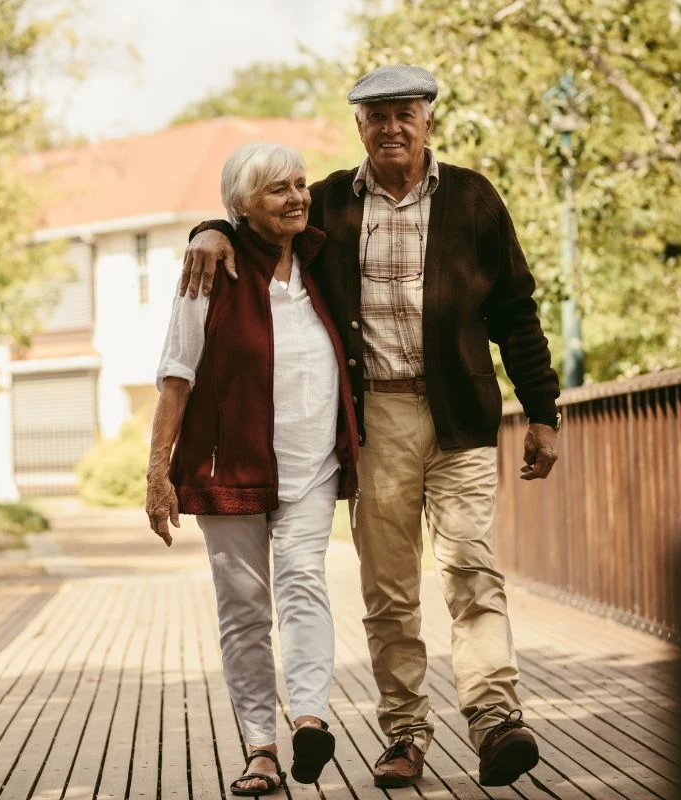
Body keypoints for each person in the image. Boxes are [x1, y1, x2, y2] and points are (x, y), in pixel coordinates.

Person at [179, 65, 561, 789]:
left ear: (428, 121)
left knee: (471, 567)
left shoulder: (474, 198)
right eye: (376, 116)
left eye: (404, 114)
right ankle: (405, 732)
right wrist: (209, 230)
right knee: (390, 588)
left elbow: (516, 308)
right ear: (359, 127)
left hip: (462, 412)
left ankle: (494, 720)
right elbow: (259, 216)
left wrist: (542, 411)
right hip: (374, 417)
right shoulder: (326, 203)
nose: (391, 127)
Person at [145, 142, 360, 796]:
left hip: (312, 467)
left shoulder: (326, 263)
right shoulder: (211, 271)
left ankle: (310, 718)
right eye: (277, 190)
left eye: (300, 185)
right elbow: (176, 380)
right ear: (241, 206)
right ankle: (261, 747)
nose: (297, 197)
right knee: (243, 608)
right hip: (228, 468)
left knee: (304, 586)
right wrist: (158, 474)